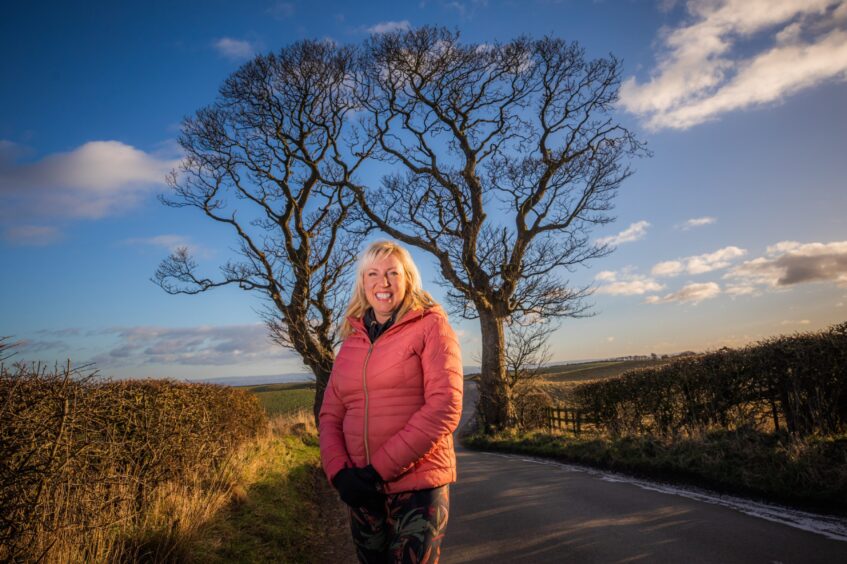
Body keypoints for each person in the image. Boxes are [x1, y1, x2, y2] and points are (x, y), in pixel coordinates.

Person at [319, 240, 464, 564]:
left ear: (408, 279)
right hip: (361, 489)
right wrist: (340, 474)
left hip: (418, 486)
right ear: (362, 283)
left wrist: (377, 470)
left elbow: (445, 406)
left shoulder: (431, 326)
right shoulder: (351, 343)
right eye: (372, 273)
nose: (382, 282)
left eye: (391, 273)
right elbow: (330, 414)